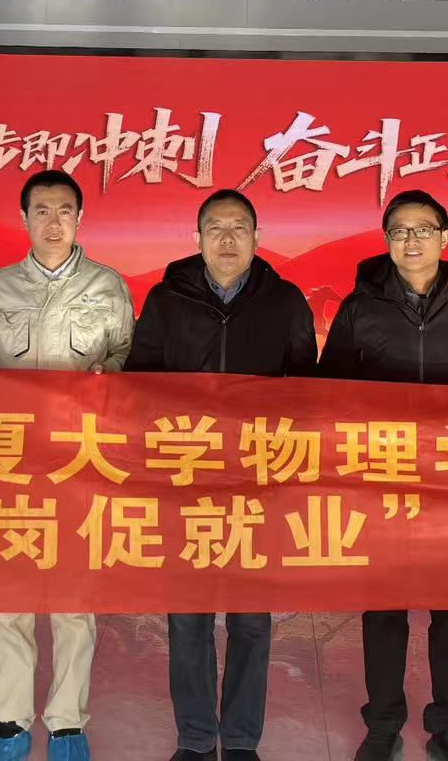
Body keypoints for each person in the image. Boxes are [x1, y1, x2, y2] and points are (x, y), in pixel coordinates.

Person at [317, 190, 448, 761]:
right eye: (399, 231)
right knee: (384, 610)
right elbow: (329, 394)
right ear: (387, 241)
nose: (412, 240)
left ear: (445, 238)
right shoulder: (359, 309)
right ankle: (382, 724)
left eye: (423, 229)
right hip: (382, 479)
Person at [127, 188, 318, 761]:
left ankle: (239, 741)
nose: (227, 239)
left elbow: (306, 391)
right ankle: (194, 739)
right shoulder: (167, 299)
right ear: (198, 238)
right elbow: (139, 383)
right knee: (187, 620)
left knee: (251, 621)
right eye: (216, 228)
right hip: (185, 479)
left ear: (258, 238)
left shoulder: (285, 301)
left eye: (239, 228)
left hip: (258, 482)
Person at [0, 171, 134, 761]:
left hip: (81, 460)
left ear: (80, 218)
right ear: (25, 219)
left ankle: (66, 724)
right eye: (42, 211)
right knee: (7, 595)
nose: (54, 222)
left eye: (64, 210)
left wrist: (111, 376)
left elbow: (128, 357)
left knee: (73, 598)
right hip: (10, 457)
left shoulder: (108, 286)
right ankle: (7, 722)